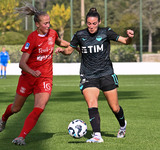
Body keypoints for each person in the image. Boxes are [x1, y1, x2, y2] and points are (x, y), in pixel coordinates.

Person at [55, 8, 134, 143]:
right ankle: (97, 135)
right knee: (92, 103)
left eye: (94, 23)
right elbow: (69, 50)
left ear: (99, 22)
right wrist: (62, 51)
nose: (91, 26)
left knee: (115, 107)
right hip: (88, 75)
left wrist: (130, 37)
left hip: (106, 74)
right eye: (89, 23)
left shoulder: (106, 32)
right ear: (86, 23)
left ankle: (122, 125)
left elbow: (126, 42)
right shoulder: (80, 35)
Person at [0, 3, 70, 146]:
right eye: (45, 23)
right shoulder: (32, 38)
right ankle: (4, 117)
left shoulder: (53, 34)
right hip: (28, 78)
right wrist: (32, 72)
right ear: (37, 24)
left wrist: (74, 46)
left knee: (39, 107)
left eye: (49, 22)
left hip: (45, 78)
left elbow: (61, 42)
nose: (48, 25)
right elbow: (22, 63)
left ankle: (21, 136)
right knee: (16, 109)